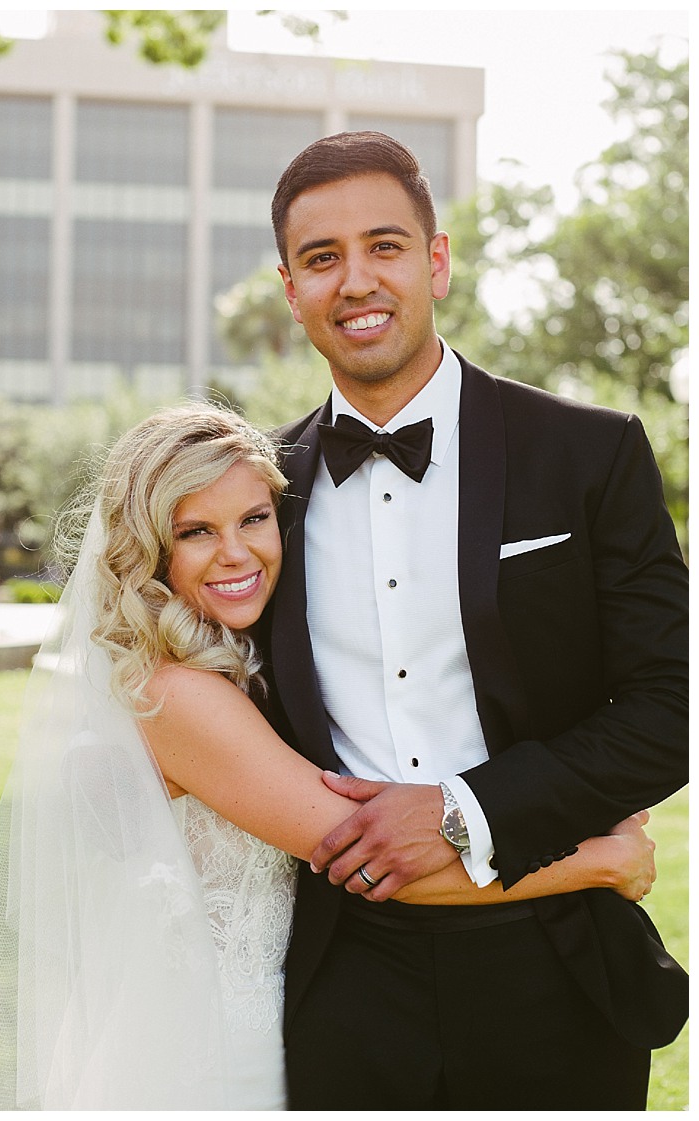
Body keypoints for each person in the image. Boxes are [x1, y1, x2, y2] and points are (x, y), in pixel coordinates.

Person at [0, 403, 659, 1109]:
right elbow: (379, 861)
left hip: (280, 1027)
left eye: (254, 520)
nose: (236, 553)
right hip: (214, 1052)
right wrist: (600, 860)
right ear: (149, 548)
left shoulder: (230, 666)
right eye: (196, 531)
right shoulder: (175, 696)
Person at [263, 130, 687, 1107]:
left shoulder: (591, 452)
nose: (356, 279)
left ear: (437, 261)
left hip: (558, 959)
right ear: (290, 290)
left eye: (385, 245)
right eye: (322, 259)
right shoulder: (258, 496)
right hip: (336, 982)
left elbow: (672, 707)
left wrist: (465, 811)